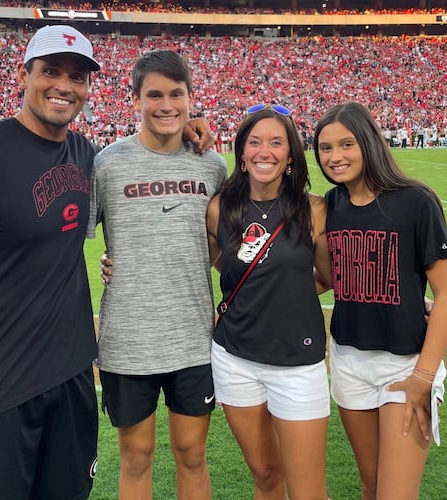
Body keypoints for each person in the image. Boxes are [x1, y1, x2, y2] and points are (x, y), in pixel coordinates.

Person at [0, 25, 101, 499]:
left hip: (71, 378)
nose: (63, 86)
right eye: (50, 71)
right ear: (22, 74)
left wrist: (188, 129)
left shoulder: (87, 155)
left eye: (77, 77)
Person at [88, 49, 227, 499]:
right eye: (154, 95)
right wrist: (116, 263)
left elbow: (223, 243)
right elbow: (69, 240)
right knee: (136, 458)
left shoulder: (213, 166)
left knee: (192, 455)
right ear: (134, 100)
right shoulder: (106, 164)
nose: (166, 105)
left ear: (191, 99)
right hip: (127, 341)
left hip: (192, 337)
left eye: (175, 94)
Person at [314, 101, 447, 500]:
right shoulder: (331, 205)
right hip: (349, 360)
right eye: (325, 148)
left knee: (395, 494)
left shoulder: (415, 201)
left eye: (346, 144)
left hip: (405, 362)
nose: (335, 157)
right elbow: (332, 278)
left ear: (370, 142)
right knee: (371, 486)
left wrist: (424, 377)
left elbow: (444, 291)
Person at [206, 104, 332, 499]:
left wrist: (286, 293)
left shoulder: (314, 210)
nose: (265, 151)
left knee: (308, 488)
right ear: (241, 153)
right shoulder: (218, 208)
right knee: (265, 476)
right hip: (234, 359)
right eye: (255, 142)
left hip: (298, 363)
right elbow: (211, 263)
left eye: (276, 142)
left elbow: (329, 278)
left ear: (291, 154)